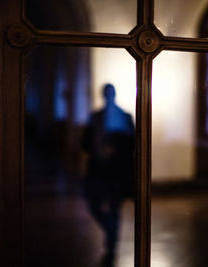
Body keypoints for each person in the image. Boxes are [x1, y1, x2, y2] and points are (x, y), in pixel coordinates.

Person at [82, 84, 134, 266]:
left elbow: (132, 145)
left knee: (114, 208)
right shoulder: (96, 117)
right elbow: (85, 142)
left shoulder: (125, 117)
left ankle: (111, 245)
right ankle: (110, 232)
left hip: (116, 172)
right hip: (98, 170)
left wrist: (115, 150)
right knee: (94, 204)